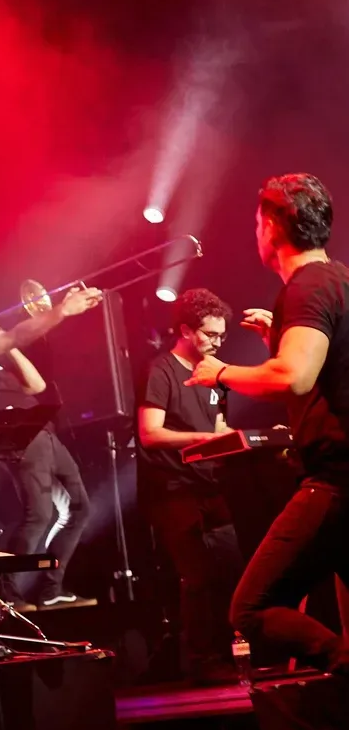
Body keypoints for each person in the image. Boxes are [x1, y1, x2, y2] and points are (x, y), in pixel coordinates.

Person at [188, 173, 349, 673]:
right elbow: (326, 374)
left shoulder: (308, 288)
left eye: (258, 222)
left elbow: (294, 377)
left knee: (250, 609)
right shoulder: (338, 278)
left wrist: (222, 372)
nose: (255, 232)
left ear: (275, 224)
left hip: (338, 481)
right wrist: (275, 342)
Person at [0, 287, 102, 609]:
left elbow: (37, 386)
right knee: (39, 515)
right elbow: (14, 337)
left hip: (40, 427)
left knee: (80, 507)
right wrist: (61, 311)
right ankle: (7, 593)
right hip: (17, 432)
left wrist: (9, 347)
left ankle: (50, 589)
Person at [137, 288, 241, 682]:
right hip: (172, 488)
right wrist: (203, 440)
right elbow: (150, 434)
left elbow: (217, 429)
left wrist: (243, 439)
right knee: (197, 575)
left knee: (232, 568)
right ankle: (202, 660)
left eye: (221, 335)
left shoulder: (214, 373)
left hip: (209, 485)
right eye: (210, 334)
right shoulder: (161, 370)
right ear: (184, 329)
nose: (217, 342)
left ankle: (234, 651)